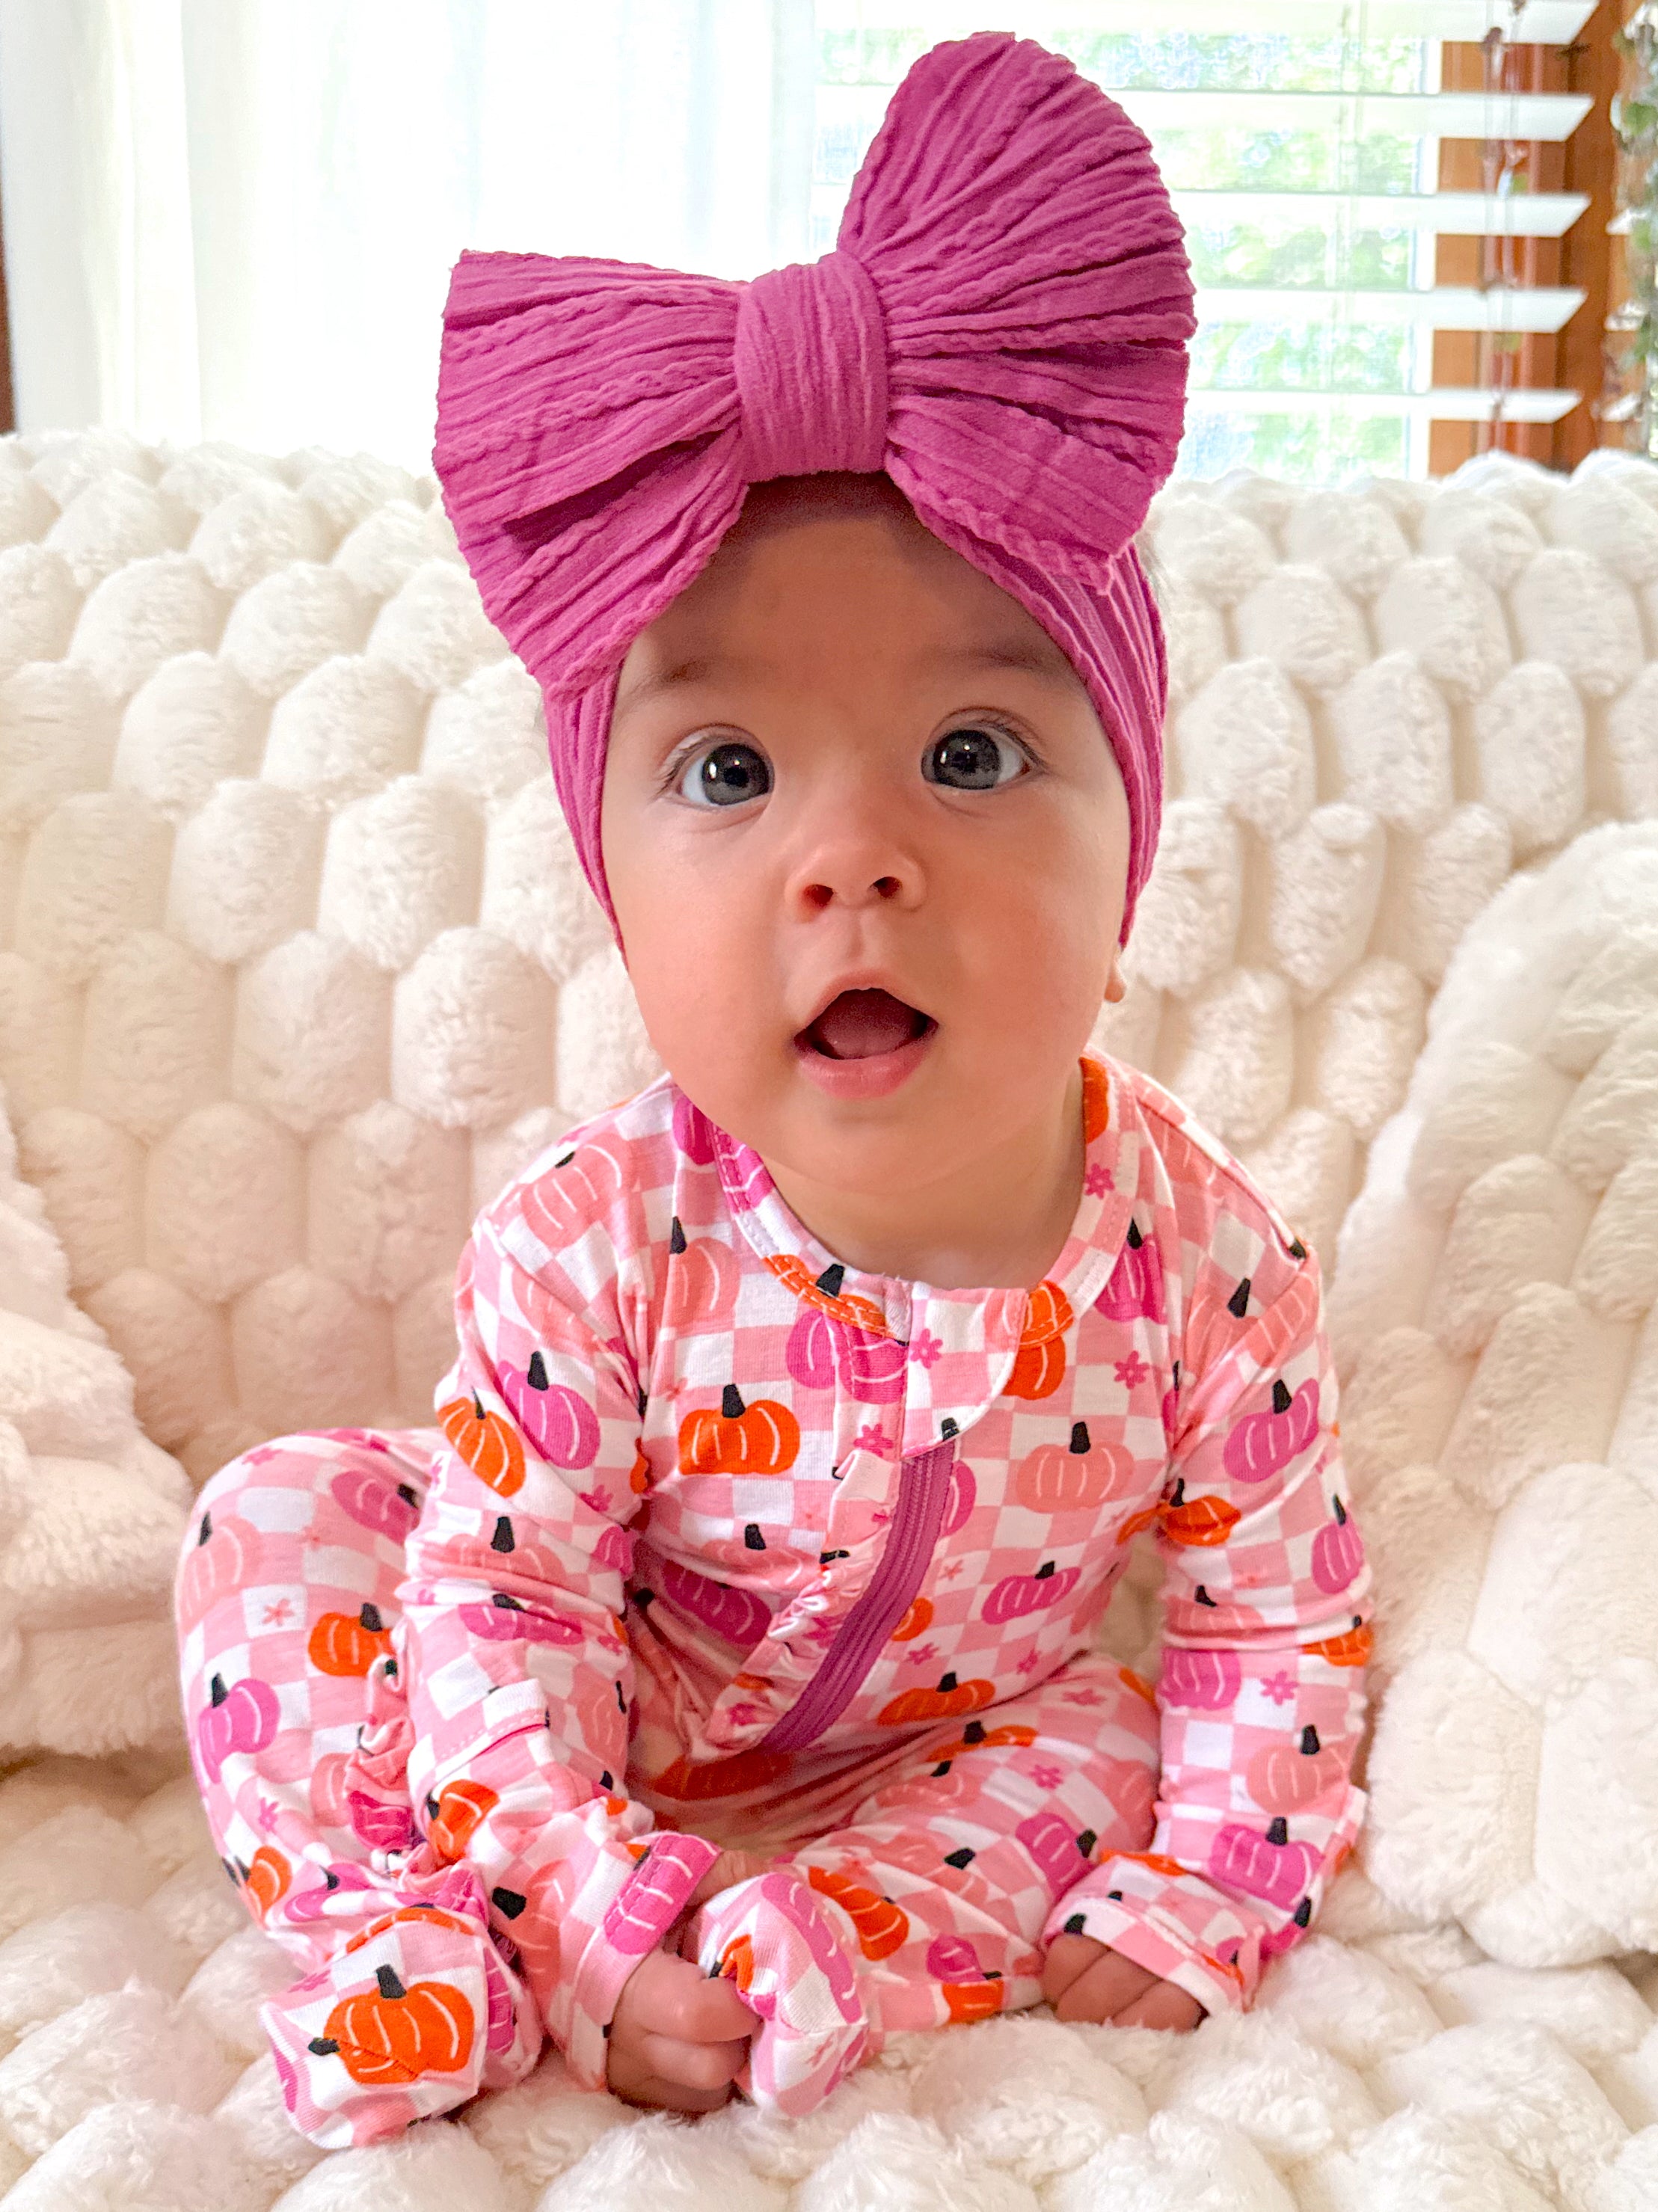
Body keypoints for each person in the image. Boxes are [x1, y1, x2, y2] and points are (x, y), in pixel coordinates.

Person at [174, 30, 1373, 2152]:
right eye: (727, 777)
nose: (852, 858)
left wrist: (1218, 1872)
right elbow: (504, 1602)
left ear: (1133, 859)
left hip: (932, 1741)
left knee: (1109, 1740)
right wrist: (579, 1898)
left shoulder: (1203, 1263)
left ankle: (823, 1945)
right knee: (291, 1523)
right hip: (579, 1696)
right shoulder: (590, 1240)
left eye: (975, 757)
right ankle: (425, 1933)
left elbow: (1267, 1612)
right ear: (620, 897)